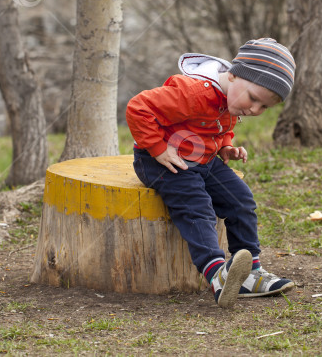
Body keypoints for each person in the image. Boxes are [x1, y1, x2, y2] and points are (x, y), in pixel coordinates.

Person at [126, 38, 296, 308]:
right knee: (196, 205)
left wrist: (226, 145)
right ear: (233, 74)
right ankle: (217, 274)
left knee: (241, 200)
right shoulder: (193, 92)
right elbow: (138, 108)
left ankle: (250, 272)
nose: (254, 110)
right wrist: (157, 148)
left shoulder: (232, 98)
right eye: (253, 99)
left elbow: (221, 123)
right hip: (162, 160)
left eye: (264, 107)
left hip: (202, 157)